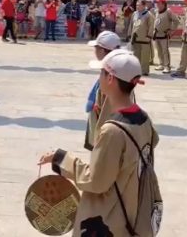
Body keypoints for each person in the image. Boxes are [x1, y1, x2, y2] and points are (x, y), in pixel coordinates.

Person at [38, 49, 158, 237]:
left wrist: (61, 159)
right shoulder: (144, 118)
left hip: (112, 219)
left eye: (101, 73)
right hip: (134, 209)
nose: (99, 78)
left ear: (110, 78)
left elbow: (96, 181)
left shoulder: (112, 131)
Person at [84, 31, 122, 150]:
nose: (94, 51)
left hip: (104, 128)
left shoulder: (111, 75)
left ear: (102, 51)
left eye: (96, 48)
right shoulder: (111, 68)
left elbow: (107, 110)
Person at [152, 0, 178, 74]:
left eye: (159, 3)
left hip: (164, 34)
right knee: (159, 50)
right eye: (157, 3)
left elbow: (176, 21)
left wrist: (171, 30)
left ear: (163, 4)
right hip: (157, 34)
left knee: (165, 51)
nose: (157, 4)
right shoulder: (156, 11)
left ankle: (167, 66)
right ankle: (161, 64)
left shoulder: (168, 11)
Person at [130, 0, 153, 76]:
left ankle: (144, 70)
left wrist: (149, 36)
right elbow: (131, 25)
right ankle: (136, 70)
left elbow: (151, 26)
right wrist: (130, 34)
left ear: (144, 5)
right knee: (136, 55)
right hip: (136, 38)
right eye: (136, 5)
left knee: (145, 56)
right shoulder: (134, 14)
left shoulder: (148, 14)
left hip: (144, 38)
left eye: (139, 5)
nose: (137, 6)